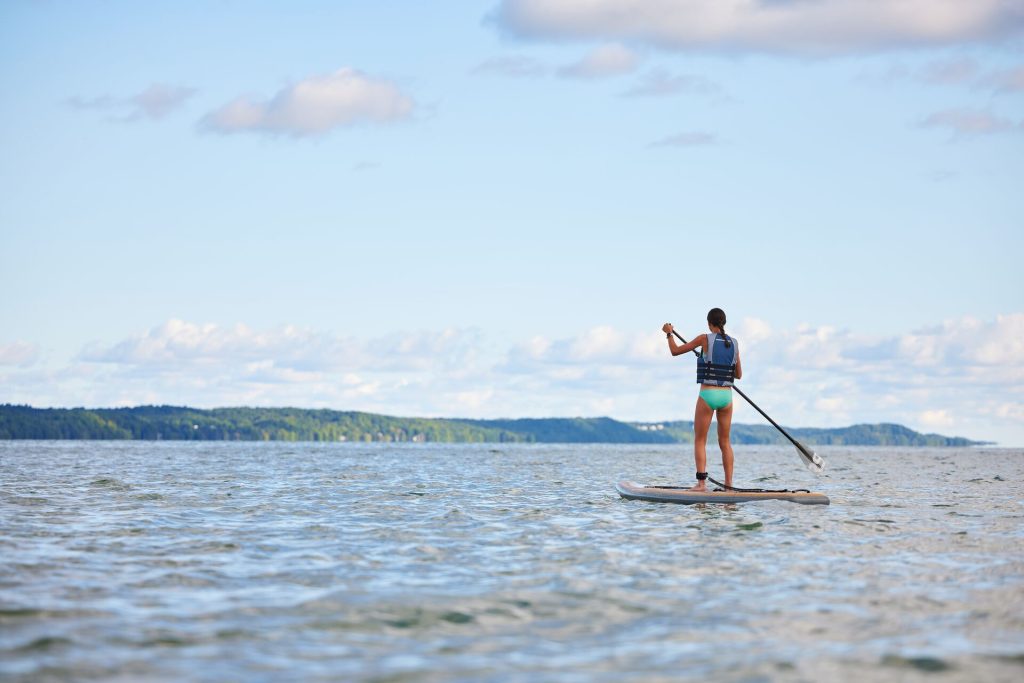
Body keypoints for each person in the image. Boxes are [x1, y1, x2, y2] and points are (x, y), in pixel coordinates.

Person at [662, 308, 742, 491]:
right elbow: (738, 375)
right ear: (724, 323)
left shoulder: (704, 339)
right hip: (727, 397)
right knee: (725, 442)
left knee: (700, 440)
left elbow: (675, 351)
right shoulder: (735, 343)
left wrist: (669, 334)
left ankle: (701, 484)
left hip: (708, 395)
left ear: (709, 323)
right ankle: (729, 484)